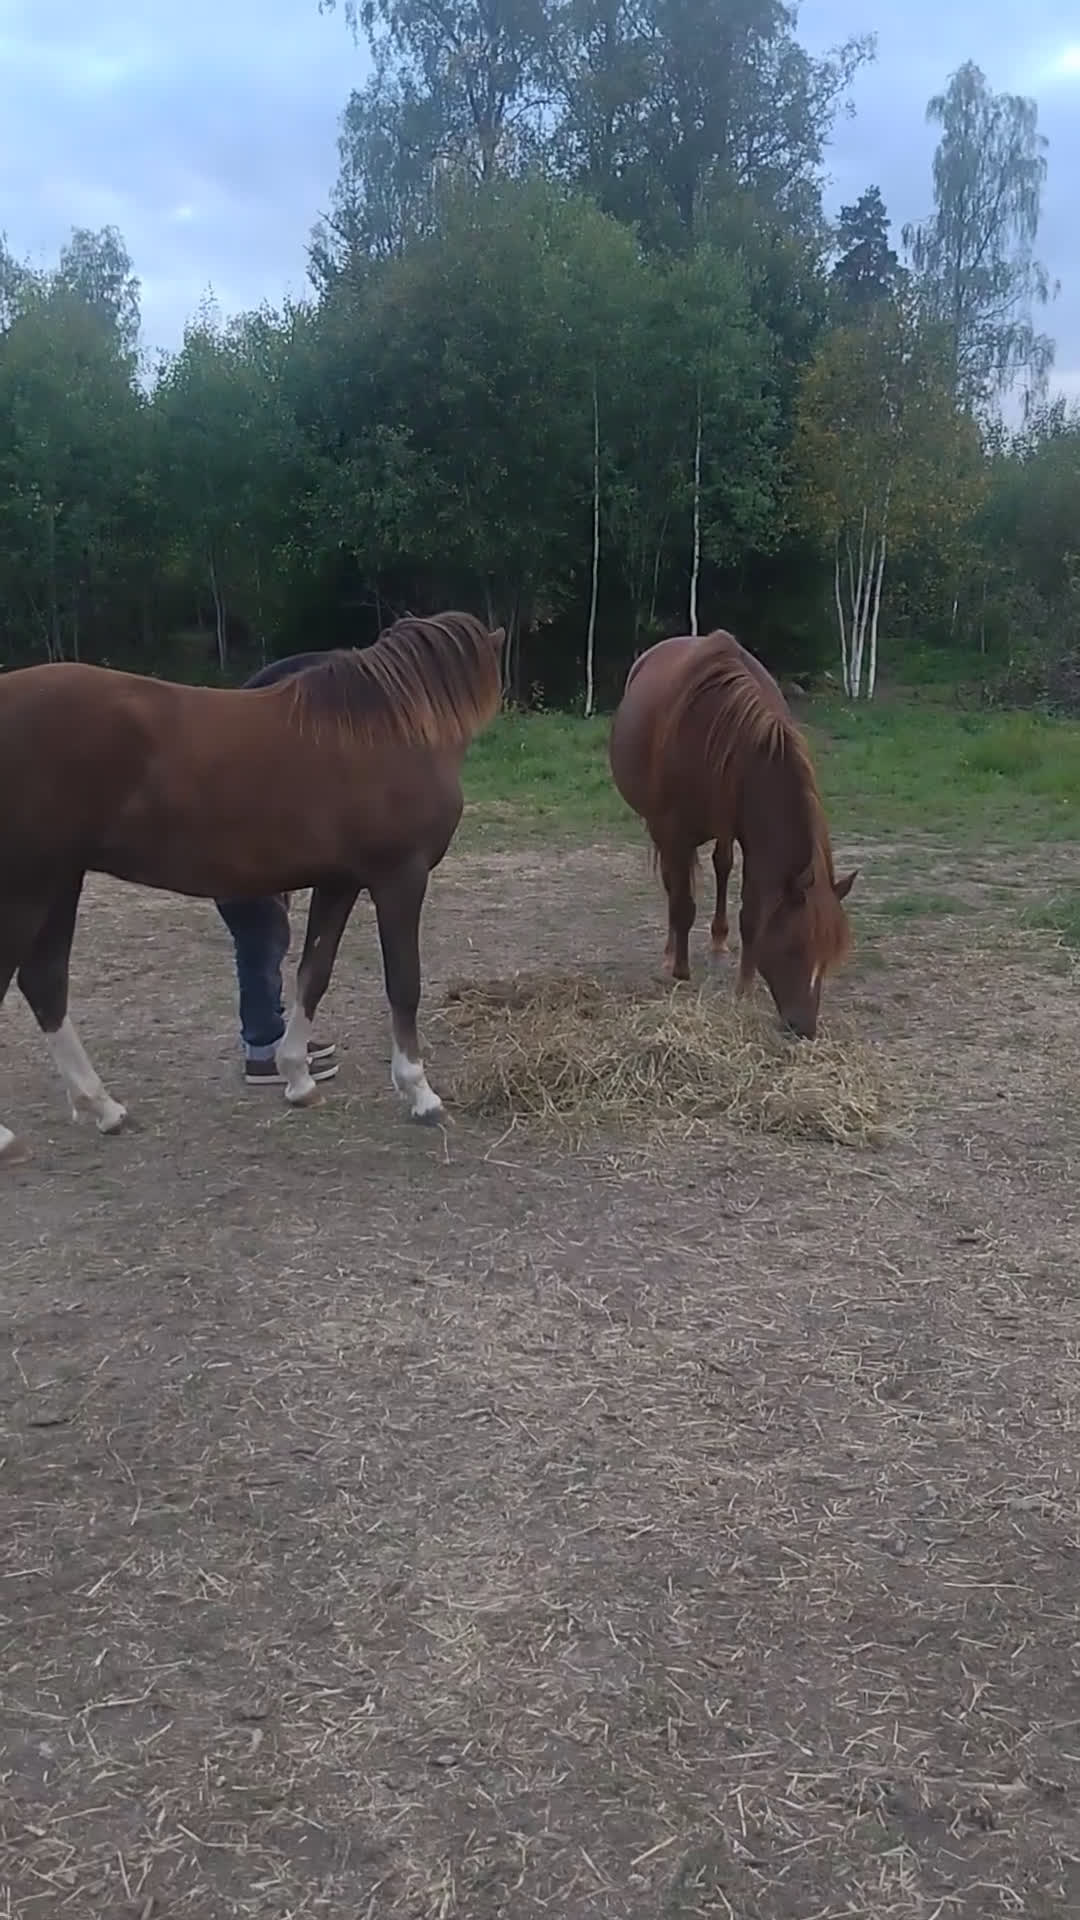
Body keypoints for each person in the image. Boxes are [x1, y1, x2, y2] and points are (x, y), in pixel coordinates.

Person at [216, 650, 339, 1088]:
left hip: (246, 861)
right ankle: (262, 1049)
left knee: (266, 940)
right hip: (239, 866)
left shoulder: (247, 736)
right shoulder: (244, 748)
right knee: (261, 941)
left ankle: (272, 1030)